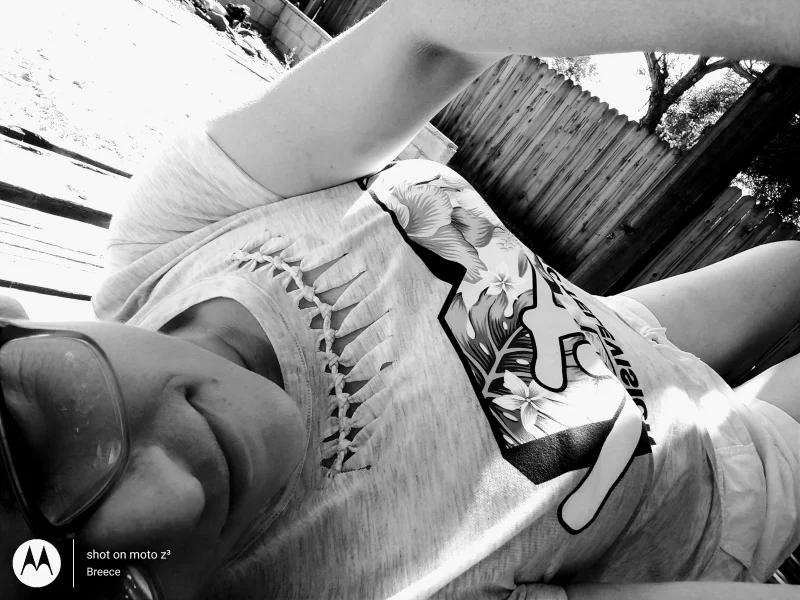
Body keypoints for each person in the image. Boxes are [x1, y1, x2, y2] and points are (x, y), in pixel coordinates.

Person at [1, 0, 799, 598]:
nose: (173, 500)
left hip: (612, 328)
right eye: (111, 591)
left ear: (8, 320)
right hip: (719, 492)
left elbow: (432, 31)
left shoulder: (175, 238)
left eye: (41, 445)